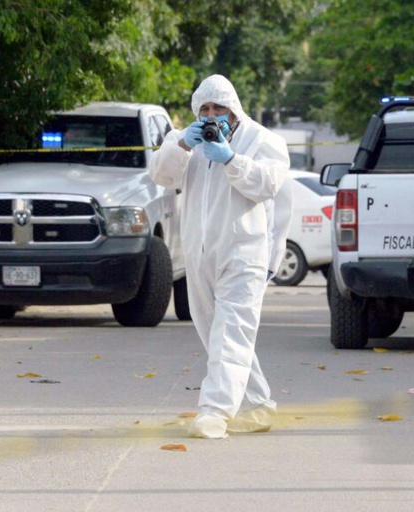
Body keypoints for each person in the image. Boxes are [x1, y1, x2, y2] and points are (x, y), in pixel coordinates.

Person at [150, 74, 291, 438]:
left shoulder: (262, 140)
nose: (212, 115)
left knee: (231, 332)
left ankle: (215, 412)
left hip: (244, 252)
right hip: (199, 253)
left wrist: (232, 160)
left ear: (234, 108)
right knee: (217, 333)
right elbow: (160, 176)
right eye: (205, 109)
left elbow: (269, 184)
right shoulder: (187, 139)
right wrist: (181, 144)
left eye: (220, 108)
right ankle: (259, 406)